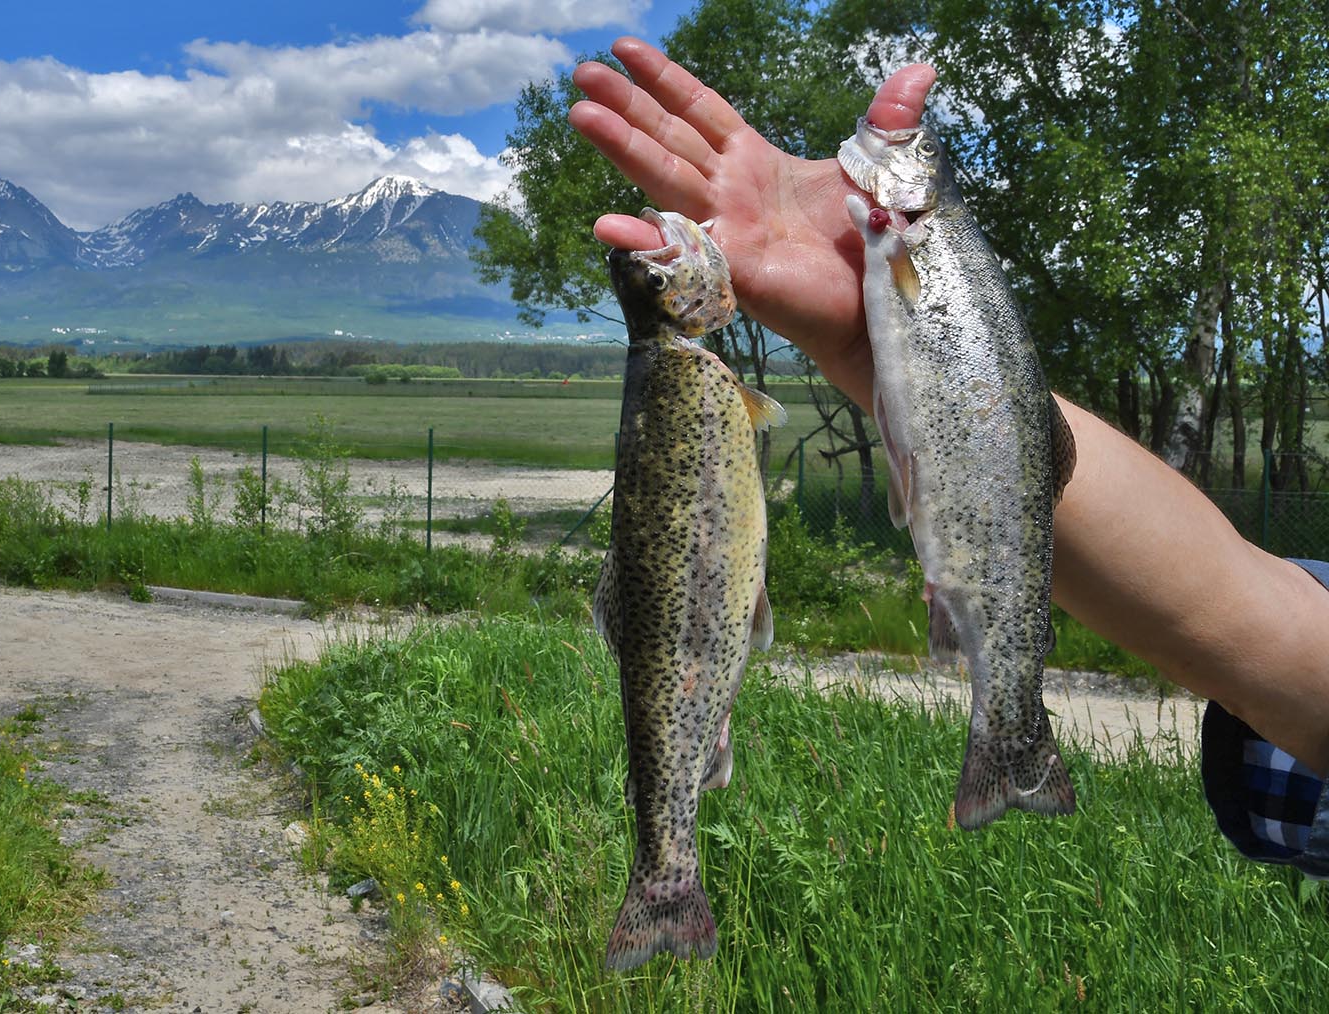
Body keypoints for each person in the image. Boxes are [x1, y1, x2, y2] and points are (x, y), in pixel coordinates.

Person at [566, 37, 1329, 872]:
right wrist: (877, 358)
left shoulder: (915, 241)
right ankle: (1009, 726)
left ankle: (1007, 727)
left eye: (918, 158)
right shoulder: (898, 244)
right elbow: (1274, 625)